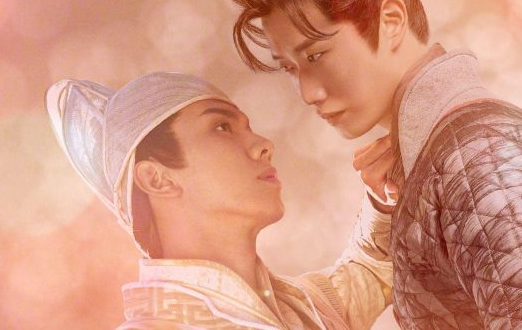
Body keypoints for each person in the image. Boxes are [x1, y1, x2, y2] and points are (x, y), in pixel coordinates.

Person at [228, 0, 522, 329]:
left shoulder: (485, 154)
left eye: (316, 55)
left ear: (391, 22)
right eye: (291, 68)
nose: (308, 93)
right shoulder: (441, 158)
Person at [45, 71, 397, 330]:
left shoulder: (306, 309)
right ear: (156, 178)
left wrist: (383, 198)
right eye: (222, 127)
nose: (264, 144)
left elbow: (373, 270)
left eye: (247, 127)